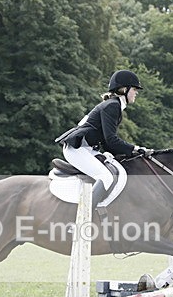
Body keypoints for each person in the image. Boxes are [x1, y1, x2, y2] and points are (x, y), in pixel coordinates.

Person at [56, 70, 152, 207]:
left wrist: (130, 153)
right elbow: (111, 140)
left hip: (87, 149)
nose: (136, 93)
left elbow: (108, 143)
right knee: (106, 177)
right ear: (124, 89)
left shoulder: (114, 105)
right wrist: (135, 149)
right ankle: (84, 216)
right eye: (134, 89)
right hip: (77, 149)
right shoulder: (113, 106)